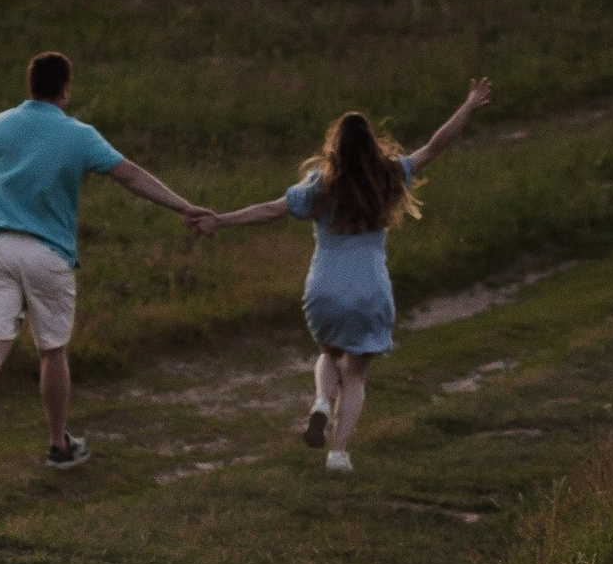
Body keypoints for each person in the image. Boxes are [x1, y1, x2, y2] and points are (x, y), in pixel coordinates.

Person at [204, 77, 491, 470]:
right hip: (369, 286)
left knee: (328, 352)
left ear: (334, 145)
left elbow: (270, 211)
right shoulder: (390, 176)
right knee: (355, 375)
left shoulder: (318, 187)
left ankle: (321, 400)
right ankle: (339, 454)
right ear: (372, 142)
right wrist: (469, 105)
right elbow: (436, 145)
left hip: (324, 286)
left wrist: (220, 220)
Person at [0, 50, 206, 468]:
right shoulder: (79, 134)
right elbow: (130, 175)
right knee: (52, 349)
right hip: (48, 253)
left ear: (28, 85)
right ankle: (58, 445)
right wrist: (183, 206)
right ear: (65, 88)